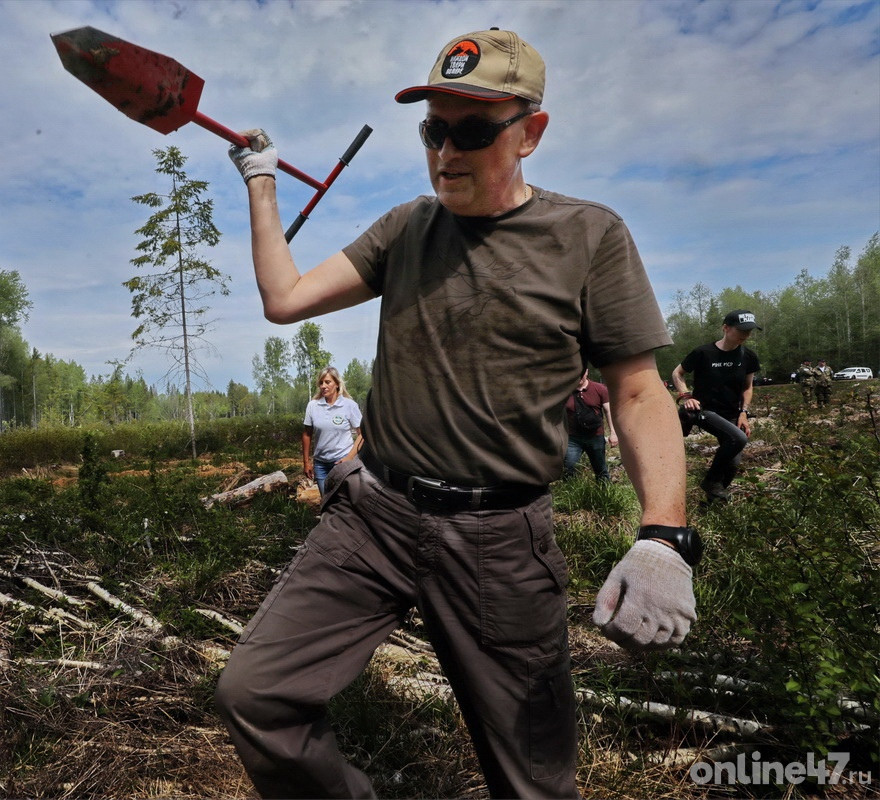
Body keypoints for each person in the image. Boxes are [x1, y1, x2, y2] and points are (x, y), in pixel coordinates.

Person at [216, 28, 699, 800]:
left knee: (534, 780)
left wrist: (663, 538)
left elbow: (639, 391)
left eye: (472, 131)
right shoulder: (405, 229)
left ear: (531, 133)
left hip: (497, 542)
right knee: (256, 695)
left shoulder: (588, 237)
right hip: (371, 518)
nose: (447, 151)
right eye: (433, 130)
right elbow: (285, 300)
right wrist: (262, 182)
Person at [671, 310, 761, 503]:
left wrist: (743, 413)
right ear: (726, 328)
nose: (746, 335)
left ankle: (713, 502)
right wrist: (686, 395)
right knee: (738, 439)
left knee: (733, 462)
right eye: (742, 330)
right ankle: (710, 481)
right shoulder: (703, 353)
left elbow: (748, 387)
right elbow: (677, 373)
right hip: (705, 410)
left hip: (731, 413)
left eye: (750, 330)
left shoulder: (749, 357)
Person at [302, 366, 363, 494]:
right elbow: (307, 434)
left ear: (337, 384)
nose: (323, 386)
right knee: (326, 502)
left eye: (327, 382)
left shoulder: (349, 405)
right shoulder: (313, 405)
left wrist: (349, 457)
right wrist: (306, 462)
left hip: (343, 463)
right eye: (321, 382)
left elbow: (363, 435)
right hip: (321, 465)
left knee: (344, 502)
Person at [563, 369, 617, 482]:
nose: (578, 377)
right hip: (573, 438)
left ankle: (604, 494)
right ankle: (571, 494)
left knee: (600, 469)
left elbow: (609, 411)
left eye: (581, 374)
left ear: (586, 372)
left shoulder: (600, 389)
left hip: (595, 436)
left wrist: (613, 432)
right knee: (569, 467)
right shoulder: (565, 391)